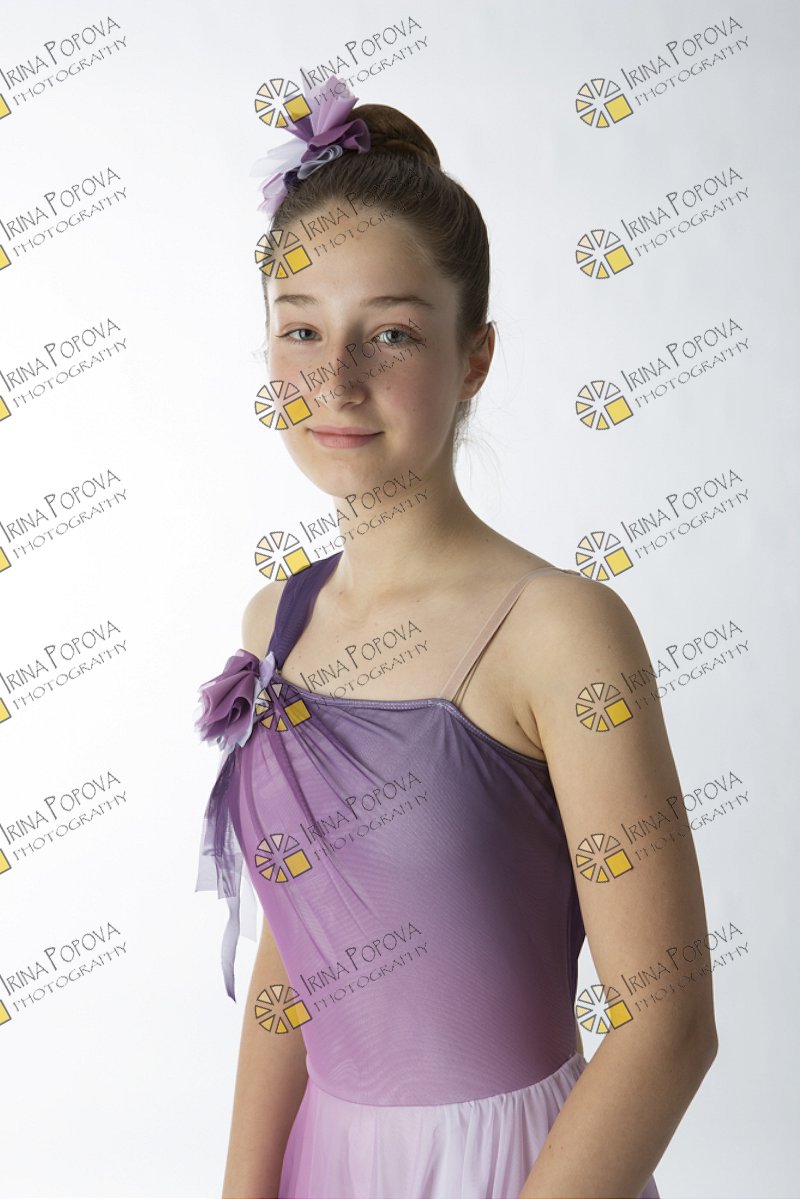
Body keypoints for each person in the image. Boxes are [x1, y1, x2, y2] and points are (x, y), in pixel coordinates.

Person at [194, 77, 718, 1199]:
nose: (335, 379)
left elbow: (666, 1025)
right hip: (328, 1161)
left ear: (473, 357)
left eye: (390, 334)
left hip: (522, 1169)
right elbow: (298, 953)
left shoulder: (559, 630)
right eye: (301, 329)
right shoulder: (276, 620)